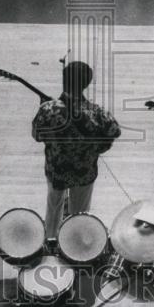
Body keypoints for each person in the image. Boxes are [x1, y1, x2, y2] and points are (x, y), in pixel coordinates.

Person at [32, 61, 121, 239]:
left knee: (53, 207)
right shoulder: (96, 112)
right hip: (84, 171)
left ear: (64, 80)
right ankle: (74, 245)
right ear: (86, 84)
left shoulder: (49, 109)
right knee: (79, 214)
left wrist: (44, 108)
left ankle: (50, 241)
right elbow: (114, 131)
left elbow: (37, 135)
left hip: (57, 170)